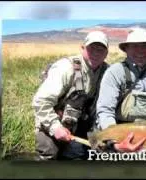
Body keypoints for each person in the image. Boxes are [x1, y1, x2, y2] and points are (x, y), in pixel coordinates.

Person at [32, 31, 109, 160]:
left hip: (83, 126)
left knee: (89, 156)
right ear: (82, 48)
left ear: (106, 53)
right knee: (49, 156)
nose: (96, 53)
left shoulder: (107, 72)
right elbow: (41, 101)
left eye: (100, 50)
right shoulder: (66, 68)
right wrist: (55, 127)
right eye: (92, 48)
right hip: (53, 122)